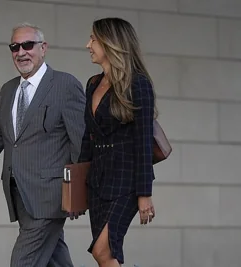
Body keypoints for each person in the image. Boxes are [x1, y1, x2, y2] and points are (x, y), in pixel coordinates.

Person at [0, 22, 86, 267]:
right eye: (15, 47)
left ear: (43, 48)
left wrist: (80, 192)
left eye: (28, 45)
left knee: (23, 262)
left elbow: (82, 141)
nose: (21, 52)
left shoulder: (65, 85)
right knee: (55, 259)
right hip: (18, 193)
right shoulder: (9, 89)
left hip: (49, 197)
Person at [77, 17, 157, 267]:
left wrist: (145, 194)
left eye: (93, 38)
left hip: (126, 182)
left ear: (110, 42)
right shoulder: (92, 84)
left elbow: (144, 142)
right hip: (97, 181)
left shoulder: (138, 84)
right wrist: (77, 185)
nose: (87, 44)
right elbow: (86, 138)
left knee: (104, 251)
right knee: (104, 256)